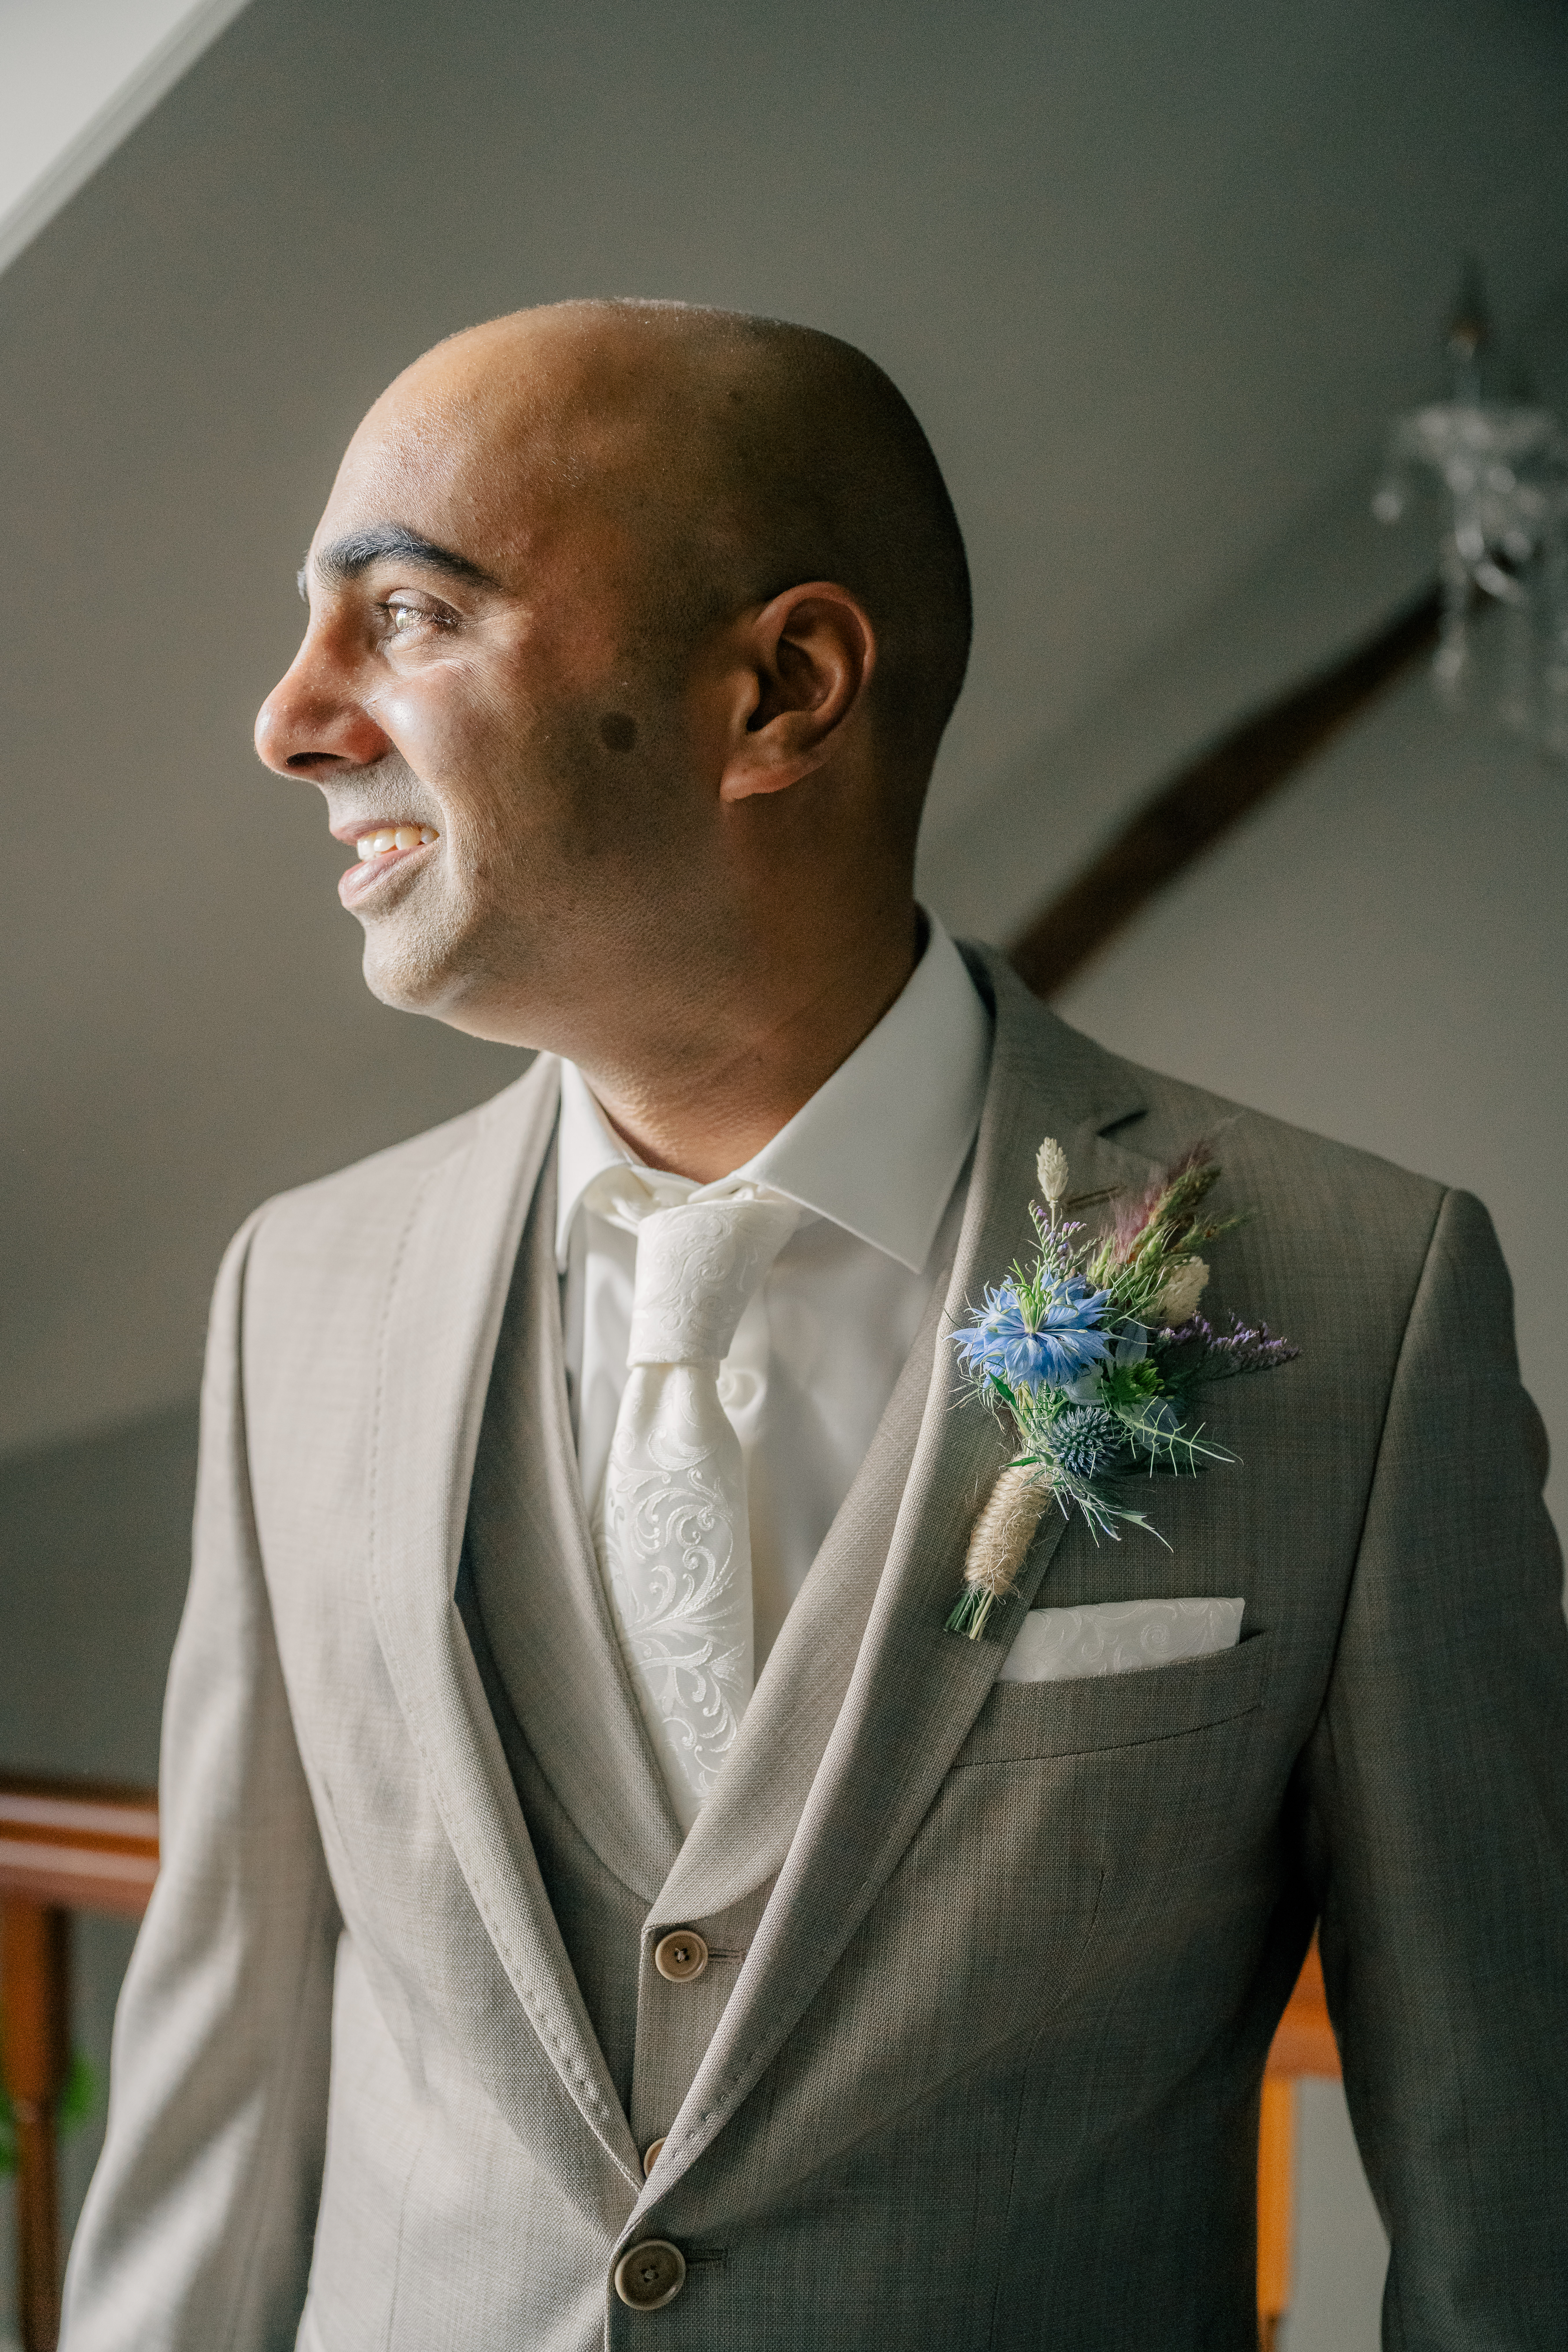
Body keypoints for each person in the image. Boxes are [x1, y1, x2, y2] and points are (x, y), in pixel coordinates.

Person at [63, 302, 1567, 2352]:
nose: (294, 722)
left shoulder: (1357, 1304)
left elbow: (1509, 2185)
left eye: (405, 615)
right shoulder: (296, 1295)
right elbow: (213, 2109)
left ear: (780, 690)